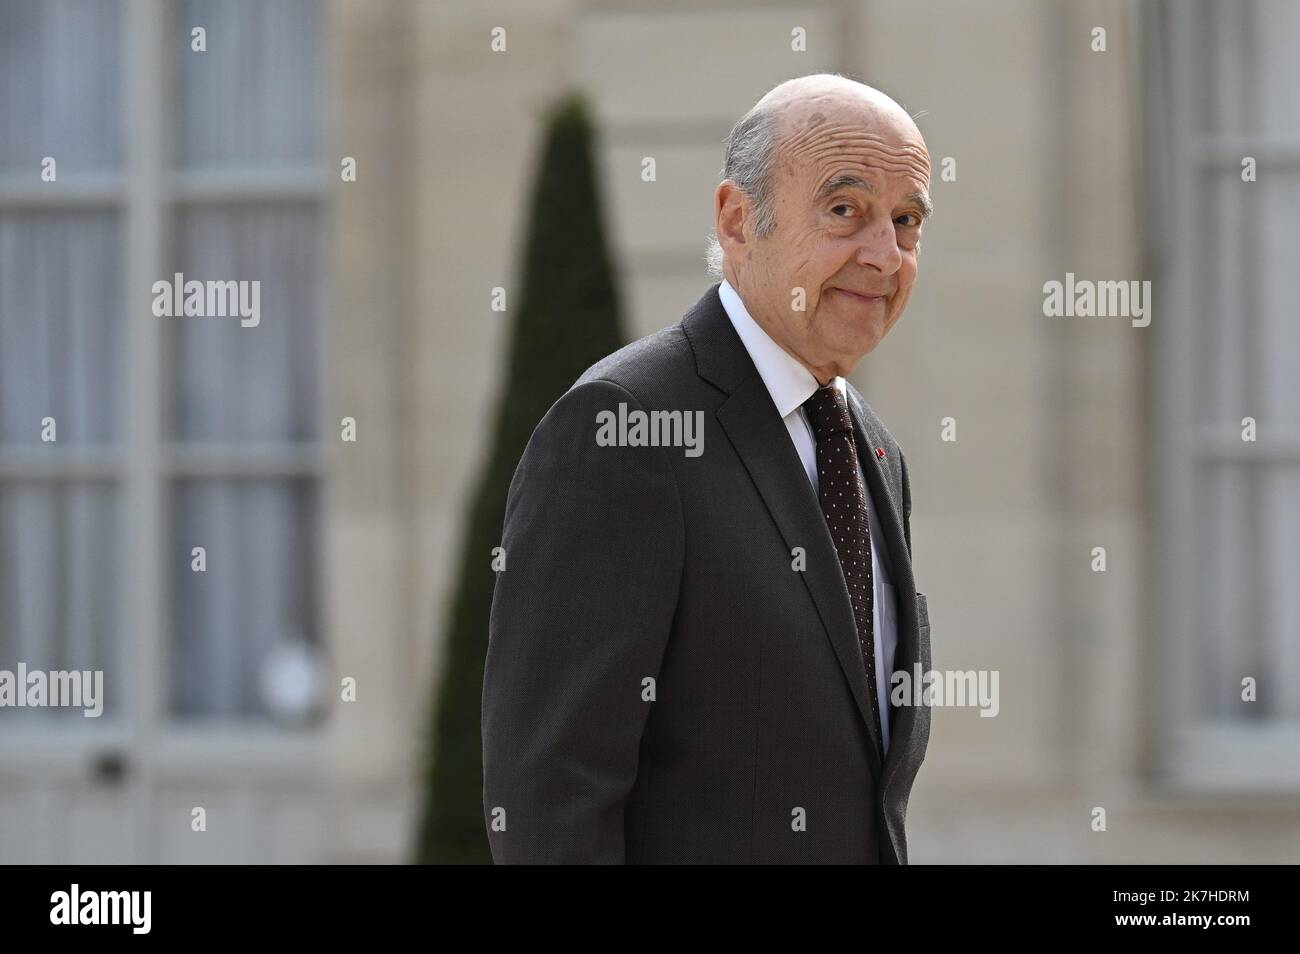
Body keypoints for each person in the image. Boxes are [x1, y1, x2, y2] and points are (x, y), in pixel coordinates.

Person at [482, 73, 933, 864]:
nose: (883, 255)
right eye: (844, 211)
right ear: (737, 221)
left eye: (905, 221)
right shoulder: (623, 428)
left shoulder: (876, 453)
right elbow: (552, 802)